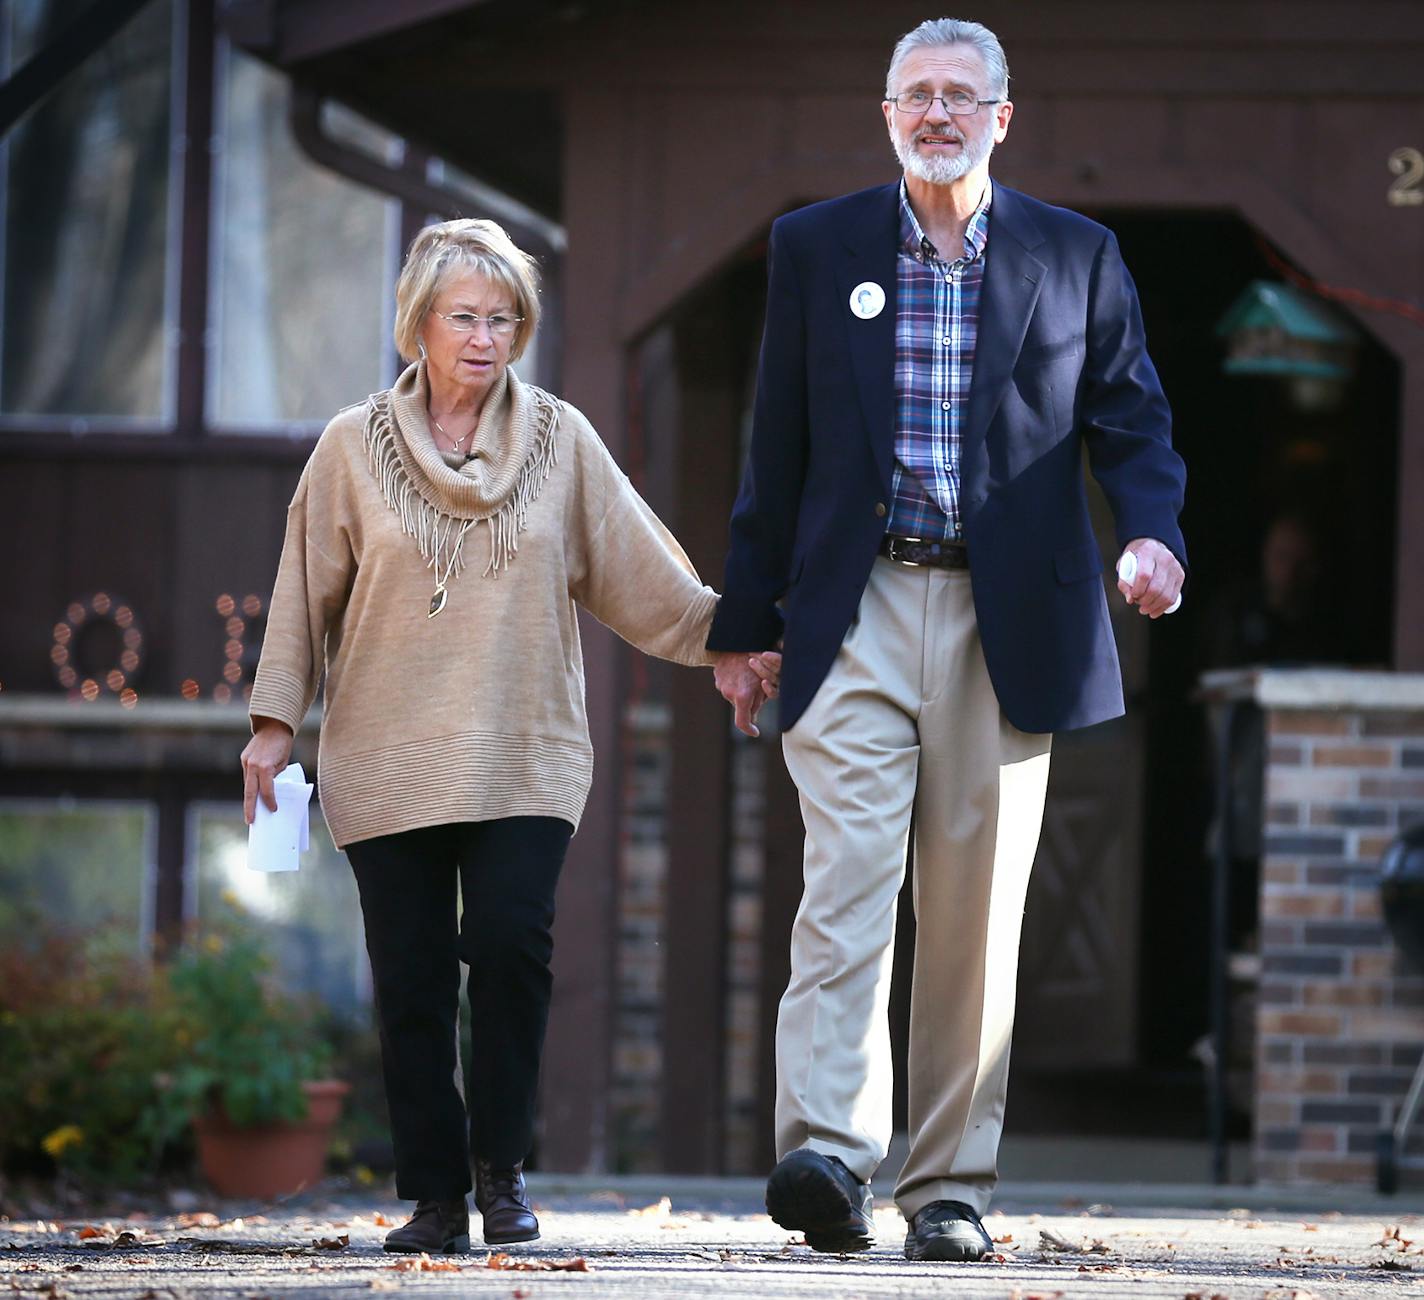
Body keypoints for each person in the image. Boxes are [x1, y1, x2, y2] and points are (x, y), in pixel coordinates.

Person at [708, 17, 1187, 1263]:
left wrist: (1150, 536)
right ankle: (825, 1150)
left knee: (974, 914)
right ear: (885, 116)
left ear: (999, 118)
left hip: (1006, 614)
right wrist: (741, 627)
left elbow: (1133, 424)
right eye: (913, 94)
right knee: (847, 880)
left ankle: (946, 1189)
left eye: (958, 95)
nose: (936, 112)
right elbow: (777, 450)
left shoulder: (1074, 255)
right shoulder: (815, 248)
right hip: (855, 605)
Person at [241, 219, 778, 1254]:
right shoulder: (351, 447)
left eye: (502, 317)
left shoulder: (560, 440)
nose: (485, 337)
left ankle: (503, 1172)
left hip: (522, 748)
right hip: (385, 750)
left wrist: (731, 638)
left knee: (508, 947)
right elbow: (299, 594)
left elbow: (637, 566)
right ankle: (435, 1195)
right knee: (408, 976)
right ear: (420, 325)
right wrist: (272, 727)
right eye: (464, 316)